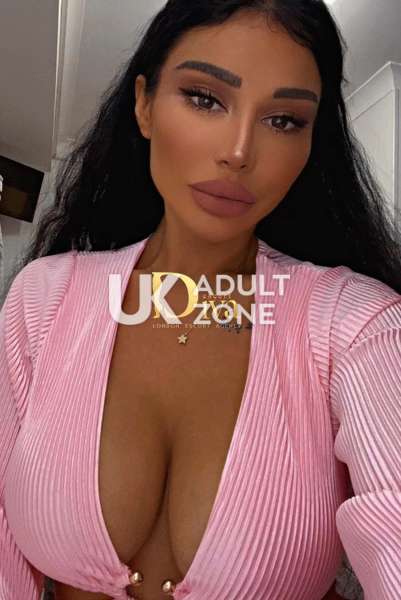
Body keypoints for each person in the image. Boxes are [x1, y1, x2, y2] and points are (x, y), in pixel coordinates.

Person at [1, 1, 401, 599]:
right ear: (144, 105)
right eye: (205, 98)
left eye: (284, 120)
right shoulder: (44, 297)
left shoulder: (359, 325)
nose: (239, 151)